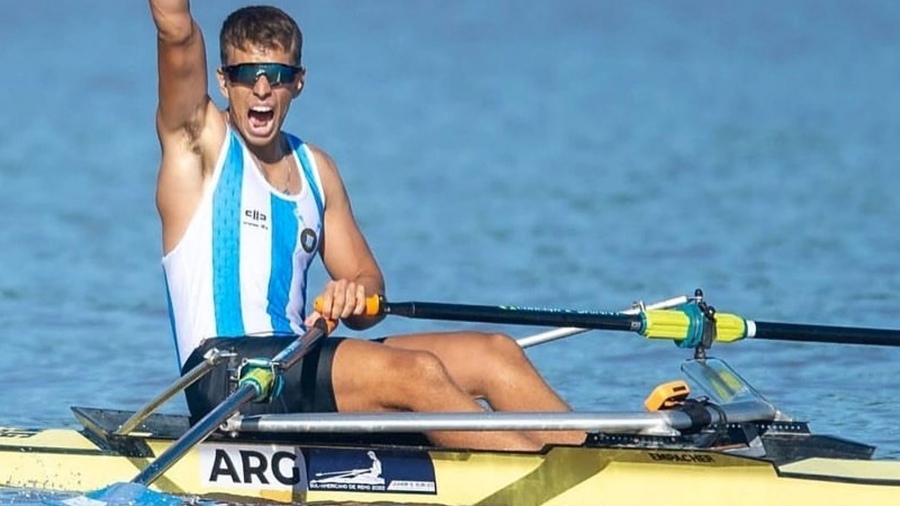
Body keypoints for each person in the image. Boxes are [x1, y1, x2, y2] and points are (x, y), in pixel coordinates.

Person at [148, 1, 584, 451]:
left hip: (293, 360)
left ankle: (595, 463)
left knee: (495, 353)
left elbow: (368, 287)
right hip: (224, 374)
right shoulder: (198, 145)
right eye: (247, 74)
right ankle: (536, 474)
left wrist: (354, 294)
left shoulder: (317, 171)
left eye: (277, 75)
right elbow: (176, 30)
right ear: (223, 81)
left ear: (298, 82)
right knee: (417, 372)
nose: (262, 89)